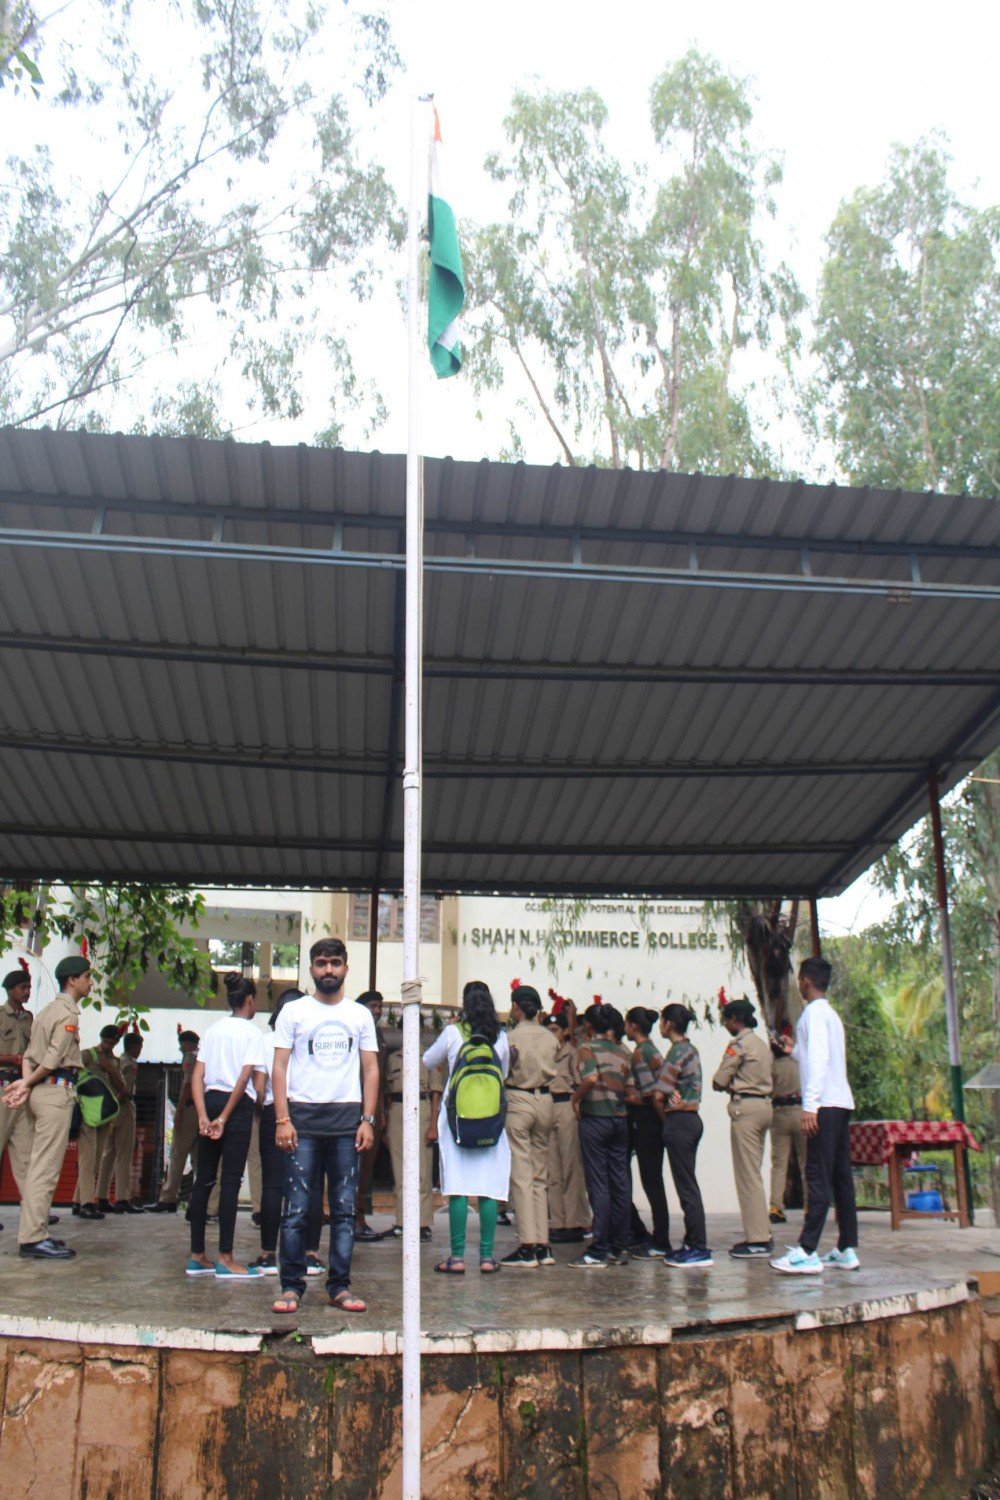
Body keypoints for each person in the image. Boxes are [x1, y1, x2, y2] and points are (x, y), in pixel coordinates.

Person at [271, 939, 380, 1315]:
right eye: (321, 963)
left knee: (345, 1211)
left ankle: (340, 1286)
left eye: (335, 962)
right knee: (296, 1210)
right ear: (311, 969)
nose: (328, 969)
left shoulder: (359, 1015)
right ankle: (291, 1286)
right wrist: (282, 1119)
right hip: (301, 1122)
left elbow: (370, 1069)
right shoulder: (294, 1012)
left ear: (346, 968)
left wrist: (367, 1120)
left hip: (347, 1125)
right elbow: (279, 1067)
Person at [771, 958, 860, 1275]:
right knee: (841, 1178)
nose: (798, 984)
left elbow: (819, 1060)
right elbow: (816, 1055)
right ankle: (847, 1248)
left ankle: (807, 1250)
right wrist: (793, 1050)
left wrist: (810, 1106)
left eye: (799, 979)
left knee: (817, 1175)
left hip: (823, 1104)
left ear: (806, 981)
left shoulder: (813, 1013)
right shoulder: (830, 1015)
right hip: (840, 1102)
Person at [3, 954, 91, 1260]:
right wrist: (26, 1084)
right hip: (55, 1092)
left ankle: (35, 1232)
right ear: (72, 980)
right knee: (45, 1169)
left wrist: (26, 1085)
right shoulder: (68, 1015)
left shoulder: (44, 1012)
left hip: (40, 1091)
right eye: (87, 977)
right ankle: (33, 1238)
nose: (90, 983)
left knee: (36, 1166)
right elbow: (52, 1059)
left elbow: (29, 1056)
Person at [423, 980, 511, 1276]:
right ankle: (486, 1257)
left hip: (456, 1121)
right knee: (488, 1188)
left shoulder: (453, 1032)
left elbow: (427, 1060)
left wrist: (452, 1030)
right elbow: (504, 1074)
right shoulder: (500, 1037)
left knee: (457, 1187)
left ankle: (457, 1257)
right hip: (491, 1120)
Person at [186, 973, 267, 1280]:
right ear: (250, 1000)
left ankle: (197, 1256)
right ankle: (226, 1258)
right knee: (230, 1181)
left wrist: (203, 1116)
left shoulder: (214, 1030)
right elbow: (244, 1079)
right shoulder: (252, 1033)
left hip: (209, 1101)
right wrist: (224, 1118)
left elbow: (197, 1076)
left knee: (204, 1179)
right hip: (237, 1106)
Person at [569, 1002, 631, 1269]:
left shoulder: (587, 1048)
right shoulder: (623, 1051)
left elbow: (591, 1078)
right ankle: (619, 1246)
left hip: (595, 1118)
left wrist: (575, 1098)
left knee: (598, 1185)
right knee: (620, 1184)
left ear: (590, 1026)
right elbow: (630, 1089)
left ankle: (598, 1249)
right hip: (620, 1120)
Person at [711, 997, 774, 1258]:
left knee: (747, 1176)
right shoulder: (761, 1044)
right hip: (765, 1106)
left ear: (735, 1020)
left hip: (745, 1109)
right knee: (755, 1173)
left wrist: (727, 1084)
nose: (725, 1024)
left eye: (726, 1019)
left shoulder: (738, 1045)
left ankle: (758, 1238)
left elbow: (719, 1080)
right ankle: (763, 1231)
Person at [502, 984, 559, 1268]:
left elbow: (504, 1070)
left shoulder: (510, 1038)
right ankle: (543, 1245)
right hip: (545, 1099)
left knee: (521, 1175)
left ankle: (527, 1245)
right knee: (539, 1174)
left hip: (519, 1099)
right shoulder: (550, 1037)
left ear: (516, 1007)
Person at [652, 1004, 712, 1267]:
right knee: (688, 1183)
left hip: (680, 1121)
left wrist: (666, 1100)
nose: (660, 1026)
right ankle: (692, 1242)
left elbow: (658, 1093)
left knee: (686, 1187)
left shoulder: (676, 1052)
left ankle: (698, 1246)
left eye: (662, 1021)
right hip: (692, 1120)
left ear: (668, 1024)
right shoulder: (691, 1049)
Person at [250, 986, 303, 1274]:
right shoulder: (306, 1038)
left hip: (273, 1112)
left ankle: (268, 1253)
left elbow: (259, 1088)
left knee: (272, 1185)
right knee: (305, 1183)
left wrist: (261, 1112)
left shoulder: (266, 1040)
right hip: (304, 1111)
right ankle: (307, 1253)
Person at [624, 1006, 672, 1258]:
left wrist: (664, 1122)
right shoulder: (651, 1050)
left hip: (647, 1121)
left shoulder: (641, 1053)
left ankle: (661, 1239)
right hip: (652, 1121)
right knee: (654, 1180)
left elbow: (651, 1093)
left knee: (652, 1181)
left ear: (633, 1026)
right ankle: (657, 1235)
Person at [385, 1035, 439, 1244]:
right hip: (397, 1108)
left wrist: (433, 1124)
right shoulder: (393, 1058)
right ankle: (402, 1221)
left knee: (422, 1169)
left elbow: (435, 1092)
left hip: (421, 1105)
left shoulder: (429, 1056)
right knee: (399, 1168)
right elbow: (387, 1092)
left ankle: (422, 1223)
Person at [546, 1006, 590, 1244]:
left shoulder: (572, 1053)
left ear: (564, 1031)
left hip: (567, 1105)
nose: (551, 1034)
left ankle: (575, 1222)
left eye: (555, 1029)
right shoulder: (545, 1053)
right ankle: (558, 1221)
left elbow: (581, 1082)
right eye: (548, 1029)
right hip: (548, 1105)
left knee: (571, 1166)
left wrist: (577, 1106)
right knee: (553, 1170)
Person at [76, 1024, 127, 1219]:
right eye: (105, 1041)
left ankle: (77, 1201)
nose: (108, 1045)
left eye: (112, 1043)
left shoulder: (115, 1061)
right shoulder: (87, 1055)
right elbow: (74, 1075)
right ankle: (87, 1204)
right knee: (87, 1159)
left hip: (105, 1114)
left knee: (96, 1160)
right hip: (87, 1114)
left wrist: (111, 1070)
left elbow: (122, 1088)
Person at [146, 1030, 201, 1212]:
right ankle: (200, 1200)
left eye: (181, 1043)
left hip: (190, 1110)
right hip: (202, 1110)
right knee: (198, 1158)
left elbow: (187, 1084)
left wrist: (179, 1111)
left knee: (178, 1154)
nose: (180, 1048)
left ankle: (168, 1198)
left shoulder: (190, 1057)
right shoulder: (204, 1057)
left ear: (188, 1043)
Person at [0, 964, 35, 1229]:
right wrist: (12, 1058)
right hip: (3, 1088)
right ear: (11, 990)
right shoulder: (1, 1016)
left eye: (29, 987)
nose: (27, 992)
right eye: (23, 987)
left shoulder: (29, 1018)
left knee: (26, 1154)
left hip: (22, 1090)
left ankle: (33, 1212)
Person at [97, 1029, 145, 1213]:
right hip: (124, 1106)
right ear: (134, 1047)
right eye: (139, 1046)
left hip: (110, 1107)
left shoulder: (116, 1060)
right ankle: (122, 1198)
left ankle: (101, 1196)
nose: (140, 1050)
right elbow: (125, 1089)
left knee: (108, 1154)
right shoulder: (129, 1063)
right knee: (124, 1154)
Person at [354, 990, 388, 1242]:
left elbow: (381, 1077)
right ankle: (353, 1218)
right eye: (373, 1006)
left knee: (367, 1166)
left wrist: (381, 1111)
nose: (377, 1011)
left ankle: (360, 1217)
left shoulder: (378, 1035)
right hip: (356, 1105)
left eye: (379, 1007)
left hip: (373, 1107)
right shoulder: (355, 1031)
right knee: (355, 1165)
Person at [769, 1027, 807, 1223]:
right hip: (800, 1111)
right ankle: (810, 1205)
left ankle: (776, 1206)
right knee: (805, 1162)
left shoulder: (773, 1066)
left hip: (779, 1114)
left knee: (779, 1164)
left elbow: (768, 1089)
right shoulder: (800, 1063)